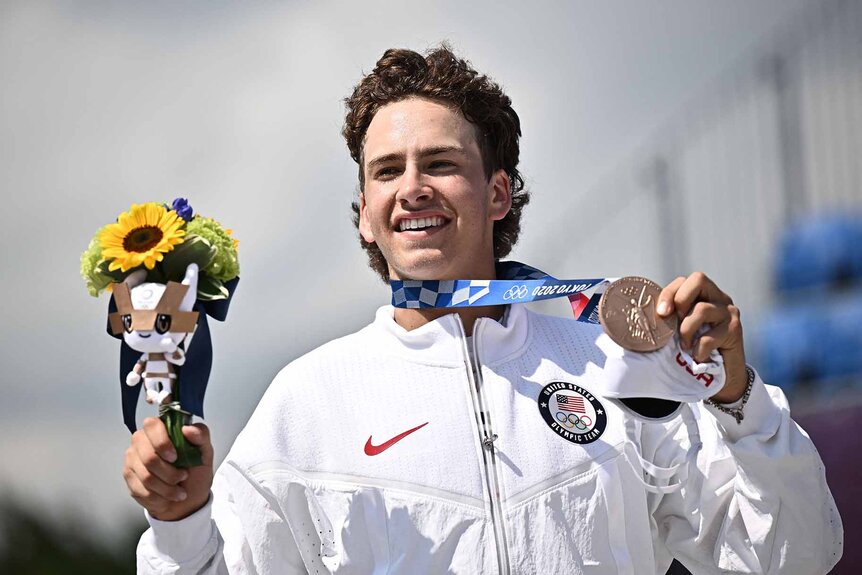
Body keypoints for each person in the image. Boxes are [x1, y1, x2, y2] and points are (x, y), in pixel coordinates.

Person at [124, 46, 843, 574]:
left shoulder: (618, 364)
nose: (412, 188)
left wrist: (741, 399)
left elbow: (792, 556)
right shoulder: (306, 405)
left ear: (498, 194)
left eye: (439, 163)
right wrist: (180, 522)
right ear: (366, 217)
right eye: (386, 172)